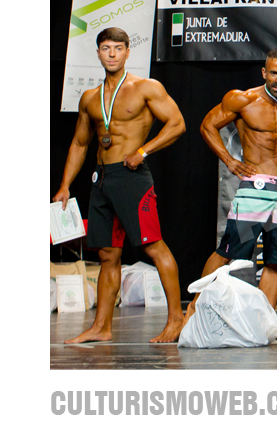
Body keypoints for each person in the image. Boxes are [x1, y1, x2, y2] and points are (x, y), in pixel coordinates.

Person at [184, 48, 277, 340]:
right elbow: (207, 126)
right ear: (264, 72)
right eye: (273, 73)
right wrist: (230, 161)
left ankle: (267, 325)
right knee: (228, 252)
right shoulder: (242, 99)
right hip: (255, 187)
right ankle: (192, 311)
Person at [52, 27, 186, 343]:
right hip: (101, 180)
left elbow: (177, 124)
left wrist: (144, 151)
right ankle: (101, 327)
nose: (112, 54)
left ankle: (176, 319)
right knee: (108, 255)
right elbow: (80, 143)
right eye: (106, 48)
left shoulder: (146, 88)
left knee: (154, 246)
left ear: (127, 51)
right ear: (98, 52)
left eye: (118, 48)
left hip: (132, 179)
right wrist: (65, 184)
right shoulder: (90, 97)